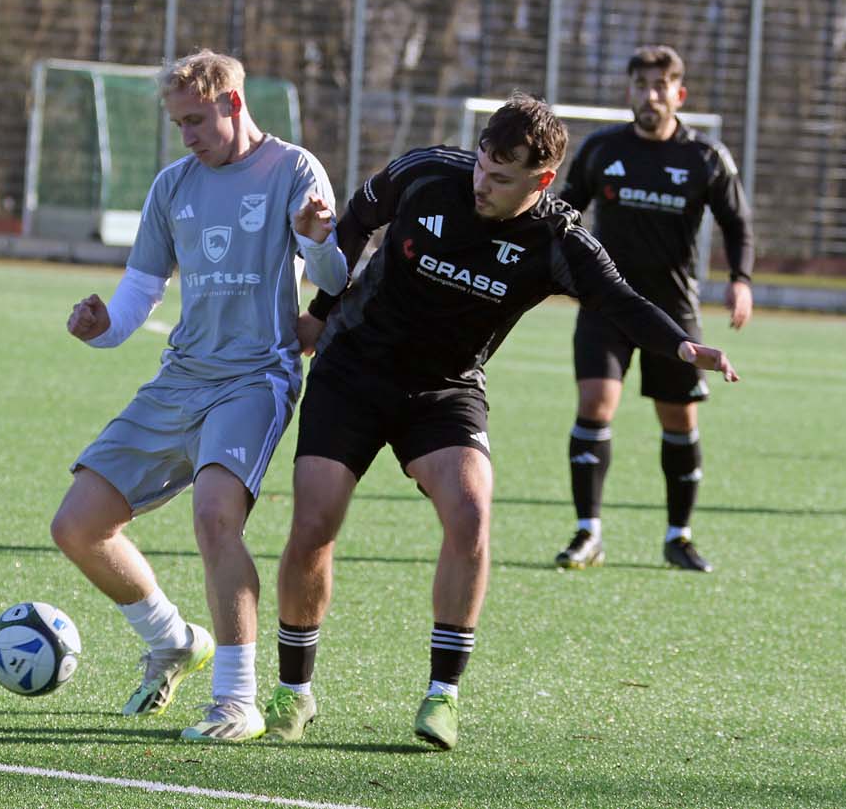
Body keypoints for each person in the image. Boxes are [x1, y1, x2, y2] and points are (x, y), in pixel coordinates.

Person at [259, 93, 739, 751]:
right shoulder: (427, 172)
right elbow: (358, 218)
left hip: (446, 390)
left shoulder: (557, 240)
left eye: (503, 177)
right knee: (315, 518)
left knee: (471, 514)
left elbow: (620, 301)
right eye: (484, 163)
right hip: (352, 373)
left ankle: (442, 696)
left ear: (541, 182)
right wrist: (320, 307)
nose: (483, 181)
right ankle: (293, 689)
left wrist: (683, 346)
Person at [49, 49, 348, 743]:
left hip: (256, 377)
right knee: (77, 526)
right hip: (181, 376)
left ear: (233, 104)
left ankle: (235, 700)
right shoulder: (173, 186)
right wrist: (101, 327)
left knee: (217, 515)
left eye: (196, 120)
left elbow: (333, 273)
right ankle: (172, 638)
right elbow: (139, 294)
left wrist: (319, 240)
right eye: (178, 123)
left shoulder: (293, 169)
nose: (187, 136)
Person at [553, 45, 755, 574]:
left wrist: (741, 280)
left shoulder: (705, 158)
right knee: (595, 404)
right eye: (641, 85)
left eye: (660, 86)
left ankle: (678, 535)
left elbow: (737, 223)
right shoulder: (601, 150)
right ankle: (587, 532)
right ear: (630, 92)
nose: (650, 95)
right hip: (606, 305)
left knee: (678, 418)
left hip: (673, 310)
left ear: (678, 94)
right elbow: (565, 212)